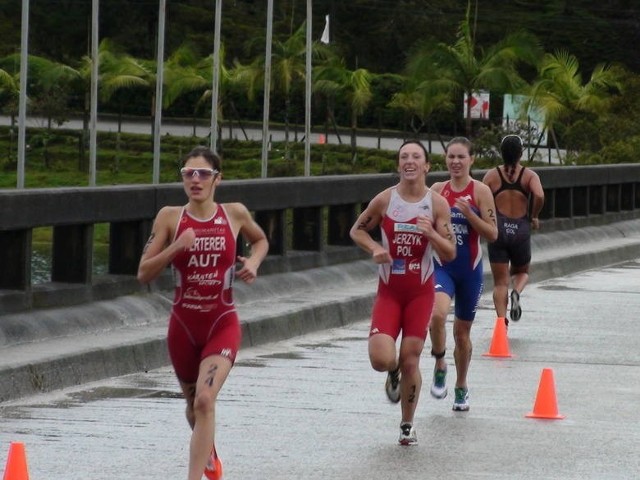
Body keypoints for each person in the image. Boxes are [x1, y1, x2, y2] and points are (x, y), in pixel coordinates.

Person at [137, 146, 269, 480]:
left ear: (217, 179)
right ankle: (207, 449)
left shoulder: (234, 213)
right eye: (188, 173)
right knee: (194, 406)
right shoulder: (170, 217)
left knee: (205, 400)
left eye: (203, 174)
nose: (195, 180)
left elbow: (261, 240)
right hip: (183, 325)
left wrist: (252, 262)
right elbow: (143, 273)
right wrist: (175, 247)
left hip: (221, 322)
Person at [349, 139, 456, 445]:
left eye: (416, 157)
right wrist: (375, 247)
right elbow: (357, 230)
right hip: (390, 293)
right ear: (398, 165)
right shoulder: (385, 200)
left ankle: (406, 423)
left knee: (411, 359)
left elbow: (449, 253)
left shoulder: (436, 204)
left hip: (420, 294)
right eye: (404, 157)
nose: (409, 161)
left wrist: (432, 233)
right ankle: (392, 371)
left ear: (426, 166)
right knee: (381, 358)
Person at [428, 137, 497, 412]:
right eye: (451, 157)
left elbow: (493, 233)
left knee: (462, 334)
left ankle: (461, 385)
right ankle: (439, 363)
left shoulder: (480, 191)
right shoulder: (436, 190)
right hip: (442, 267)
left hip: (469, 271)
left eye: (461, 157)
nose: (455, 162)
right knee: (436, 315)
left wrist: (469, 214)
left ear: (471, 160)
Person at [482, 134, 545, 327]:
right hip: (521, 229)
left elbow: (481, 198)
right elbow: (539, 195)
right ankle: (516, 291)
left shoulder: (492, 176)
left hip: (498, 230)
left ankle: (501, 322)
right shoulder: (529, 175)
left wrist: (488, 219)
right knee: (522, 271)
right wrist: (533, 215)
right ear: (521, 153)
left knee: (500, 282)